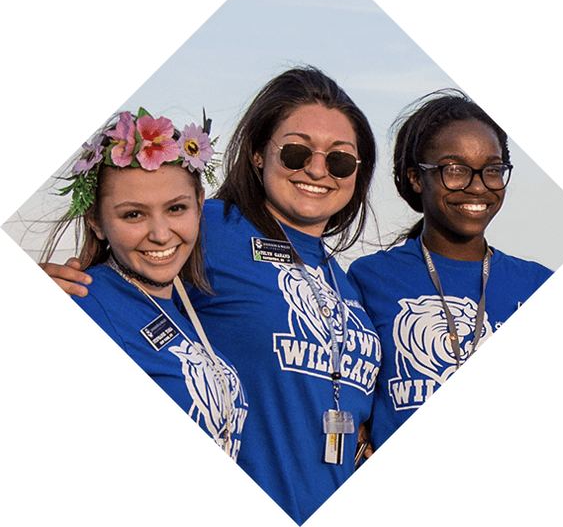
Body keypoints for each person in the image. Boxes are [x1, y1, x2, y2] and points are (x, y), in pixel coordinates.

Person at [41, 67, 381, 526]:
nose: (318, 170)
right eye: (297, 152)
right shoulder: (211, 227)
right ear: (259, 154)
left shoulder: (347, 282)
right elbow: (135, 255)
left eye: (340, 160)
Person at [347, 90, 554, 452]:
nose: (478, 186)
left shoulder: (536, 281)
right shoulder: (370, 279)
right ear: (415, 177)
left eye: (492, 170)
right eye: (455, 170)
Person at [41, 108, 248, 461]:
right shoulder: (88, 302)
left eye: (176, 209)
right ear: (97, 222)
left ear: (199, 205)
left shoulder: (182, 308)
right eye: (133, 214)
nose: (161, 234)